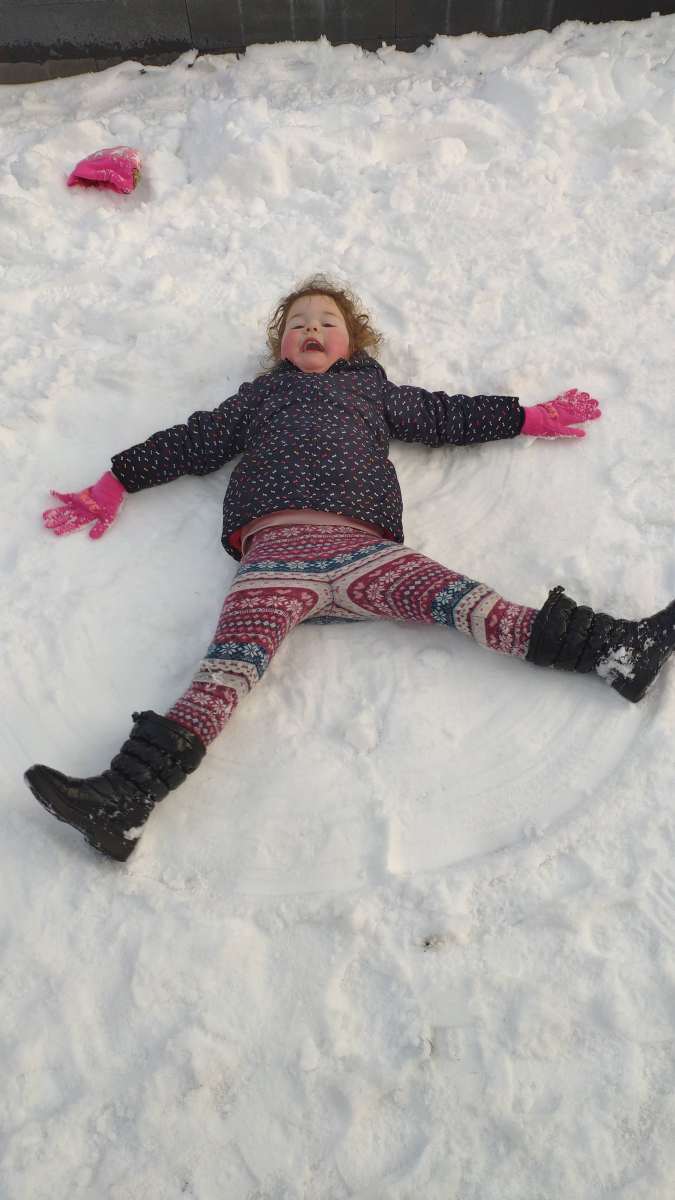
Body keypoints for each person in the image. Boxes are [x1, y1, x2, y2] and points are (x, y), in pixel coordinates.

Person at [24, 275, 675, 862]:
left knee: (470, 603)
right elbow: (192, 440)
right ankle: (124, 801)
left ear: (352, 342)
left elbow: (445, 415)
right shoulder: (257, 400)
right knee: (224, 672)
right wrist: (117, 480)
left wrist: (526, 416)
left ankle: (617, 651)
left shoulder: (371, 392)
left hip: (364, 554)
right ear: (281, 345)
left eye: (326, 321)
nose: (311, 328)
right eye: (297, 323)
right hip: (274, 560)